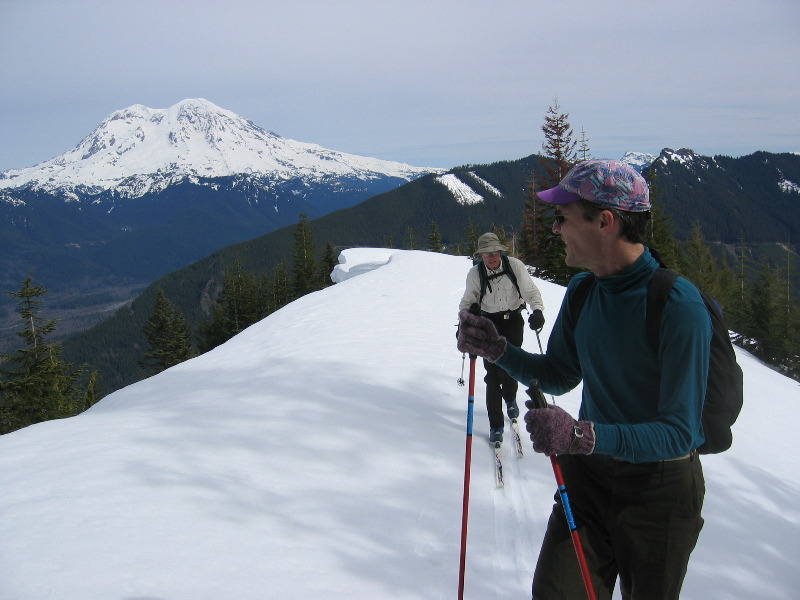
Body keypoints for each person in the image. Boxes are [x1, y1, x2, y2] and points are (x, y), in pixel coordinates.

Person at [457, 160, 708, 600]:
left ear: (605, 221)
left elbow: (680, 432)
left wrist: (581, 435)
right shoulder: (584, 290)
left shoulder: (677, 305)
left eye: (563, 218)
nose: (555, 229)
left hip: (659, 492)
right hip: (591, 477)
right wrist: (498, 349)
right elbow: (557, 375)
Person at [459, 232, 545, 444]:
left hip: (514, 322)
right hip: (489, 325)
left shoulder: (514, 266)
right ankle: (495, 424)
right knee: (492, 375)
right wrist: (466, 320)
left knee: (512, 368)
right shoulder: (475, 273)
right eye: (487, 254)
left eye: (495, 252)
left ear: (500, 251)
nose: (492, 257)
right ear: (480, 255)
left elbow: (530, 291)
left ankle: (510, 398)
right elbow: (467, 301)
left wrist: (537, 311)